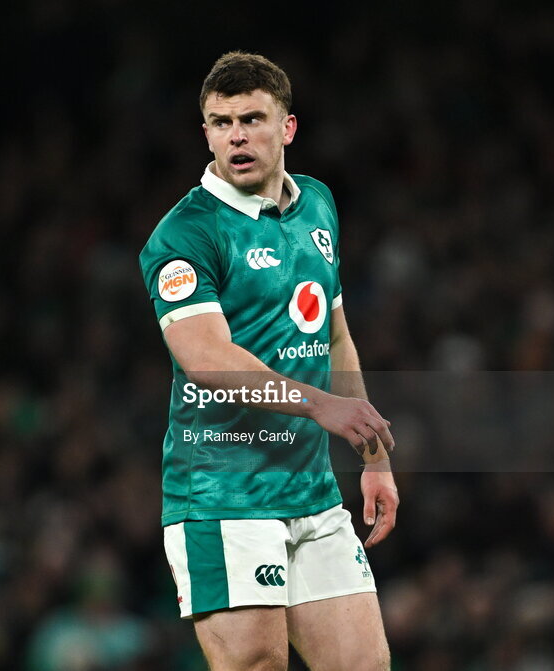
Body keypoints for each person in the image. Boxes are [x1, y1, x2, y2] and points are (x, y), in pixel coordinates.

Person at [139, 51, 399, 670]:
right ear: (205, 132)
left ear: (287, 128)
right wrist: (323, 408)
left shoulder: (318, 206)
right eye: (220, 122)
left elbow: (334, 337)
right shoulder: (185, 235)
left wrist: (374, 456)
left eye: (252, 119)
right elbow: (207, 358)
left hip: (312, 496)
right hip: (221, 494)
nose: (236, 136)